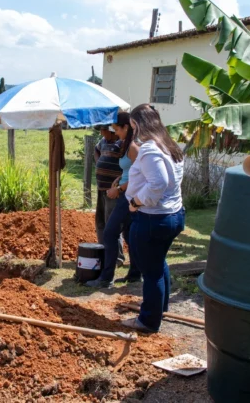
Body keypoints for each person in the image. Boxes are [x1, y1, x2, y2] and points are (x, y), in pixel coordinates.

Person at [122, 104, 185, 333]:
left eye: (132, 126)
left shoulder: (149, 149)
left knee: (151, 271)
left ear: (138, 124)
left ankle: (148, 321)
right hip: (173, 214)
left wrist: (136, 202)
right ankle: (161, 308)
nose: (133, 131)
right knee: (158, 262)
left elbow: (158, 183)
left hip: (152, 218)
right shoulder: (170, 145)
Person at [86, 112, 141, 288]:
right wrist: (119, 180)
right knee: (129, 235)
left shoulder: (133, 147)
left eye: (117, 129)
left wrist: (119, 188)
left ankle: (106, 279)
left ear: (126, 127)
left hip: (127, 196)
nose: (115, 133)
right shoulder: (126, 144)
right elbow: (129, 172)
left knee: (110, 234)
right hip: (124, 191)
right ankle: (134, 274)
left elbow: (142, 176)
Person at [94, 124, 125, 267]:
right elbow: (96, 150)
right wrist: (99, 163)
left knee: (112, 225)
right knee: (100, 222)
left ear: (111, 131)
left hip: (113, 191)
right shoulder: (103, 142)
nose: (101, 133)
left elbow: (128, 166)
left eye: (103, 130)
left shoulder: (121, 144)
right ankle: (104, 252)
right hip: (101, 188)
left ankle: (117, 258)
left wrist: (119, 181)